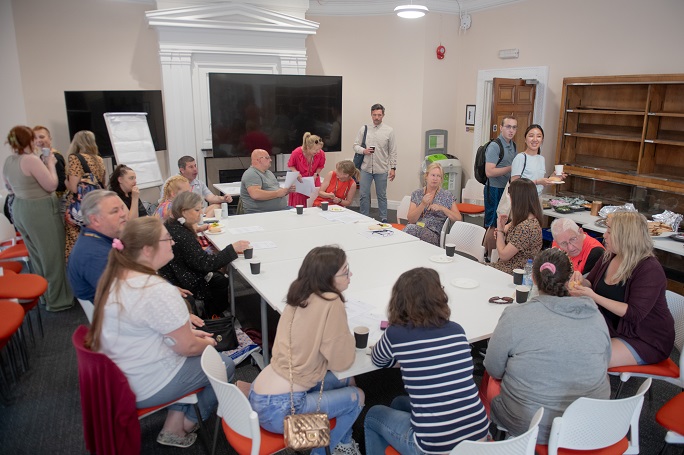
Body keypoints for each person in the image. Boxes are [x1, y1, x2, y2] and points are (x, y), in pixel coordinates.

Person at [85, 217, 234, 448]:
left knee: (198, 352)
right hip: (143, 382)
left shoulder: (116, 277)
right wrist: (210, 343)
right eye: (167, 238)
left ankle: (175, 420)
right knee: (223, 365)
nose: (173, 242)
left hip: (119, 376)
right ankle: (184, 424)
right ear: (147, 249)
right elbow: (186, 347)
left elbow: (155, 332)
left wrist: (193, 339)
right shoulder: (156, 290)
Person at [483, 248, 611, 444]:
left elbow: (493, 368)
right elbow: (605, 360)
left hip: (530, 425)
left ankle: (489, 436)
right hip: (588, 425)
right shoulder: (594, 314)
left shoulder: (516, 315)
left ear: (533, 279)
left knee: (490, 378)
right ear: (570, 280)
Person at [248, 246, 364, 455]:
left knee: (348, 380)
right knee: (359, 396)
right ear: (328, 278)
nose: (351, 275)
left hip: (259, 392)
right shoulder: (332, 301)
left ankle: (342, 443)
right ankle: (327, 451)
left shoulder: (299, 293)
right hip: (280, 409)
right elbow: (342, 362)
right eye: (345, 271)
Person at [364, 268, 489, 454]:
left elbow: (378, 360)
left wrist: (404, 361)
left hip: (434, 447)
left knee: (372, 415)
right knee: (398, 402)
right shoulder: (457, 329)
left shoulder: (396, 332)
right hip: (479, 435)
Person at [570, 211, 675, 367]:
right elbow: (590, 283)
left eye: (610, 232)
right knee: (566, 344)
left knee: (588, 360)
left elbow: (634, 313)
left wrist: (593, 296)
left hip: (645, 338)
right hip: (611, 326)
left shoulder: (649, 269)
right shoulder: (609, 255)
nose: (604, 235)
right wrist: (580, 280)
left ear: (625, 237)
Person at [3, 125, 73, 311]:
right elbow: (51, 185)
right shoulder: (30, 160)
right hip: (39, 210)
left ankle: (44, 296)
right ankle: (58, 300)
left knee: (37, 256)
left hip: (21, 208)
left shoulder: (10, 160)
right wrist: (49, 163)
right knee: (52, 256)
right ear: (29, 140)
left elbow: (9, 187)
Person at [159, 192, 250, 318]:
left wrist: (195, 230)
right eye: (197, 209)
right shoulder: (183, 236)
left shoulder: (171, 225)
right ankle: (215, 316)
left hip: (174, 275)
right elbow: (206, 264)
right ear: (184, 212)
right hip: (186, 281)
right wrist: (232, 249)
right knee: (220, 281)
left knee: (219, 277)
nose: (201, 212)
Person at [68, 190, 129, 302]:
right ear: (95, 220)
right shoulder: (93, 255)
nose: (123, 213)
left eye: (122, 208)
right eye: (115, 211)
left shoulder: (96, 239)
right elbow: (123, 297)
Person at [64, 130, 106, 260]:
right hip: (95, 204)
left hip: (79, 207)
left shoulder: (75, 158)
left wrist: (65, 180)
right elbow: (103, 183)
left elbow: (74, 187)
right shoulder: (99, 159)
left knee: (76, 241)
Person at [353, 103, 397, 223]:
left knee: (382, 195)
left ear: (383, 115)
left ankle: (383, 218)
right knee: (363, 195)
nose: (376, 117)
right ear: (371, 115)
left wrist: (393, 168)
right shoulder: (364, 129)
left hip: (381, 169)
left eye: (379, 115)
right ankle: (364, 218)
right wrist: (364, 151)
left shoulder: (389, 131)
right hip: (365, 168)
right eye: (374, 115)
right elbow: (355, 146)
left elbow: (393, 151)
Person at [490, 178, 542, 275]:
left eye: (510, 196)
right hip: (507, 268)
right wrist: (501, 229)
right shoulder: (526, 218)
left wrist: (500, 232)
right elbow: (506, 228)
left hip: (512, 273)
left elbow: (503, 255)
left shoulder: (526, 227)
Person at [403, 163, 462, 245]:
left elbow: (458, 218)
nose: (435, 179)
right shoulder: (417, 194)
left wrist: (442, 208)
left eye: (438, 176)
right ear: (426, 176)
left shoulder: (447, 195)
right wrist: (422, 204)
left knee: (409, 230)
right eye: (433, 175)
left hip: (433, 234)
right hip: (414, 228)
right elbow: (411, 220)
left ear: (441, 179)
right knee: (409, 229)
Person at [483, 116, 517, 257]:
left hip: (507, 190)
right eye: (508, 126)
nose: (511, 130)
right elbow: (489, 172)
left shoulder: (513, 145)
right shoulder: (495, 146)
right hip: (494, 189)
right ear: (501, 127)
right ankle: (486, 254)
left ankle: (496, 254)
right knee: (493, 223)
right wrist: (511, 168)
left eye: (514, 127)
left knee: (503, 222)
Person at [240, 149, 294, 214]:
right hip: (260, 213)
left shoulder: (269, 173)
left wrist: (286, 191)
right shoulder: (251, 173)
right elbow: (255, 194)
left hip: (280, 210)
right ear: (259, 160)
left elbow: (275, 189)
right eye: (267, 158)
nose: (270, 160)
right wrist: (277, 193)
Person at [510, 124, 557, 194]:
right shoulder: (520, 158)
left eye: (538, 136)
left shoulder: (541, 159)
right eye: (531, 136)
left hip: (537, 199)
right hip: (522, 200)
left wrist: (554, 177)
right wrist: (537, 182)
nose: (535, 139)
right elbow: (514, 185)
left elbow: (541, 185)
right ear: (525, 139)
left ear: (542, 140)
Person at [287, 132, 326, 207]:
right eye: (316, 150)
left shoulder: (321, 153)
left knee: (314, 201)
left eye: (319, 149)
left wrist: (316, 174)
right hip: (300, 180)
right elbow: (291, 165)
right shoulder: (296, 153)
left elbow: (320, 166)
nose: (318, 152)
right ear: (308, 147)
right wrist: (296, 173)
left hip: (313, 180)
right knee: (299, 204)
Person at [33, 125, 67, 201]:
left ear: (50, 139)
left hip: (58, 200)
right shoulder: (42, 156)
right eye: (35, 138)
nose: (38, 140)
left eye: (41, 137)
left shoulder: (55, 157)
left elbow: (61, 185)